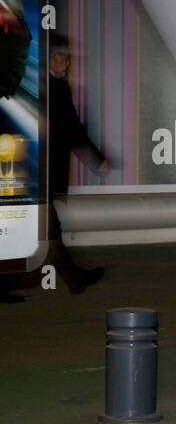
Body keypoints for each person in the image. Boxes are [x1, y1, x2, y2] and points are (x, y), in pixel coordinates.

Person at [43, 40, 108, 293]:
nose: (69, 63)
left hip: (35, 170)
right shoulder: (54, 87)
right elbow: (71, 128)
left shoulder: (48, 85)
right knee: (48, 225)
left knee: (46, 225)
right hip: (37, 171)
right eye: (64, 57)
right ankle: (73, 277)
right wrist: (96, 158)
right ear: (52, 59)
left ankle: (73, 277)